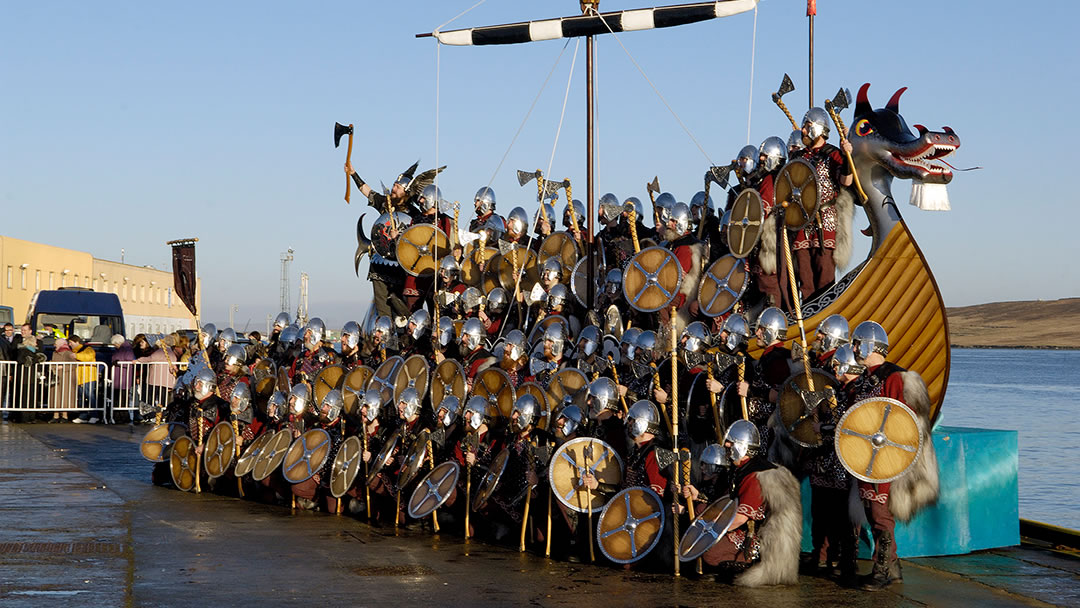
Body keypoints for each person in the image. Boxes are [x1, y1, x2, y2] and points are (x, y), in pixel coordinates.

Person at [844, 321, 939, 590]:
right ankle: (892, 567)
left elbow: (905, 423)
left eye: (857, 343)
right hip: (864, 459)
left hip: (886, 460)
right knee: (871, 511)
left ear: (871, 345)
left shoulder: (895, 378)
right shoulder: (863, 381)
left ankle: (882, 570)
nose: (853, 348)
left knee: (880, 513)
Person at [695, 420, 802, 586]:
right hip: (745, 527)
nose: (727, 445)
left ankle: (748, 562)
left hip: (758, 538)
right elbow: (724, 502)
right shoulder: (742, 469)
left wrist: (709, 533)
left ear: (742, 446)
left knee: (708, 552)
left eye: (731, 443)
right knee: (701, 510)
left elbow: (741, 517)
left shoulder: (756, 475)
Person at [790, 107, 854, 299]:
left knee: (825, 281)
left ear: (818, 128)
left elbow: (846, 181)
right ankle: (807, 321)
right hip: (802, 223)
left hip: (825, 222)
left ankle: (824, 321)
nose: (802, 131)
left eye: (807, 126)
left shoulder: (832, 154)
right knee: (805, 282)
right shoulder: (799, 157)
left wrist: (847, 158)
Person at [69, 334, 101, 424]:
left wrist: (76, 356)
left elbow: (88, 357)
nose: (69, 344)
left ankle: (94, 415)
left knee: (90, 396)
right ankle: (83, 416)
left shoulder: (88, 349)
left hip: (88, 377)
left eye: (71, 342)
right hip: (79, 377)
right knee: (81, 397)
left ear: (76, 342)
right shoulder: (74, 352)